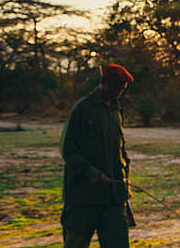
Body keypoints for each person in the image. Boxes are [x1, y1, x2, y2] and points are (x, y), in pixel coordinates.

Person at [59, 63, 135, 248]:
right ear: (103, 83)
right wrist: (90, 172)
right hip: (83, 197)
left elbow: (120, 149)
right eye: (115, 88)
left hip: (114, 196)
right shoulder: (82, 109)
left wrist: (124, 183)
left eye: (122, 89)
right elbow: (67, 148)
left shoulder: (116, 110)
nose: (119, 92)